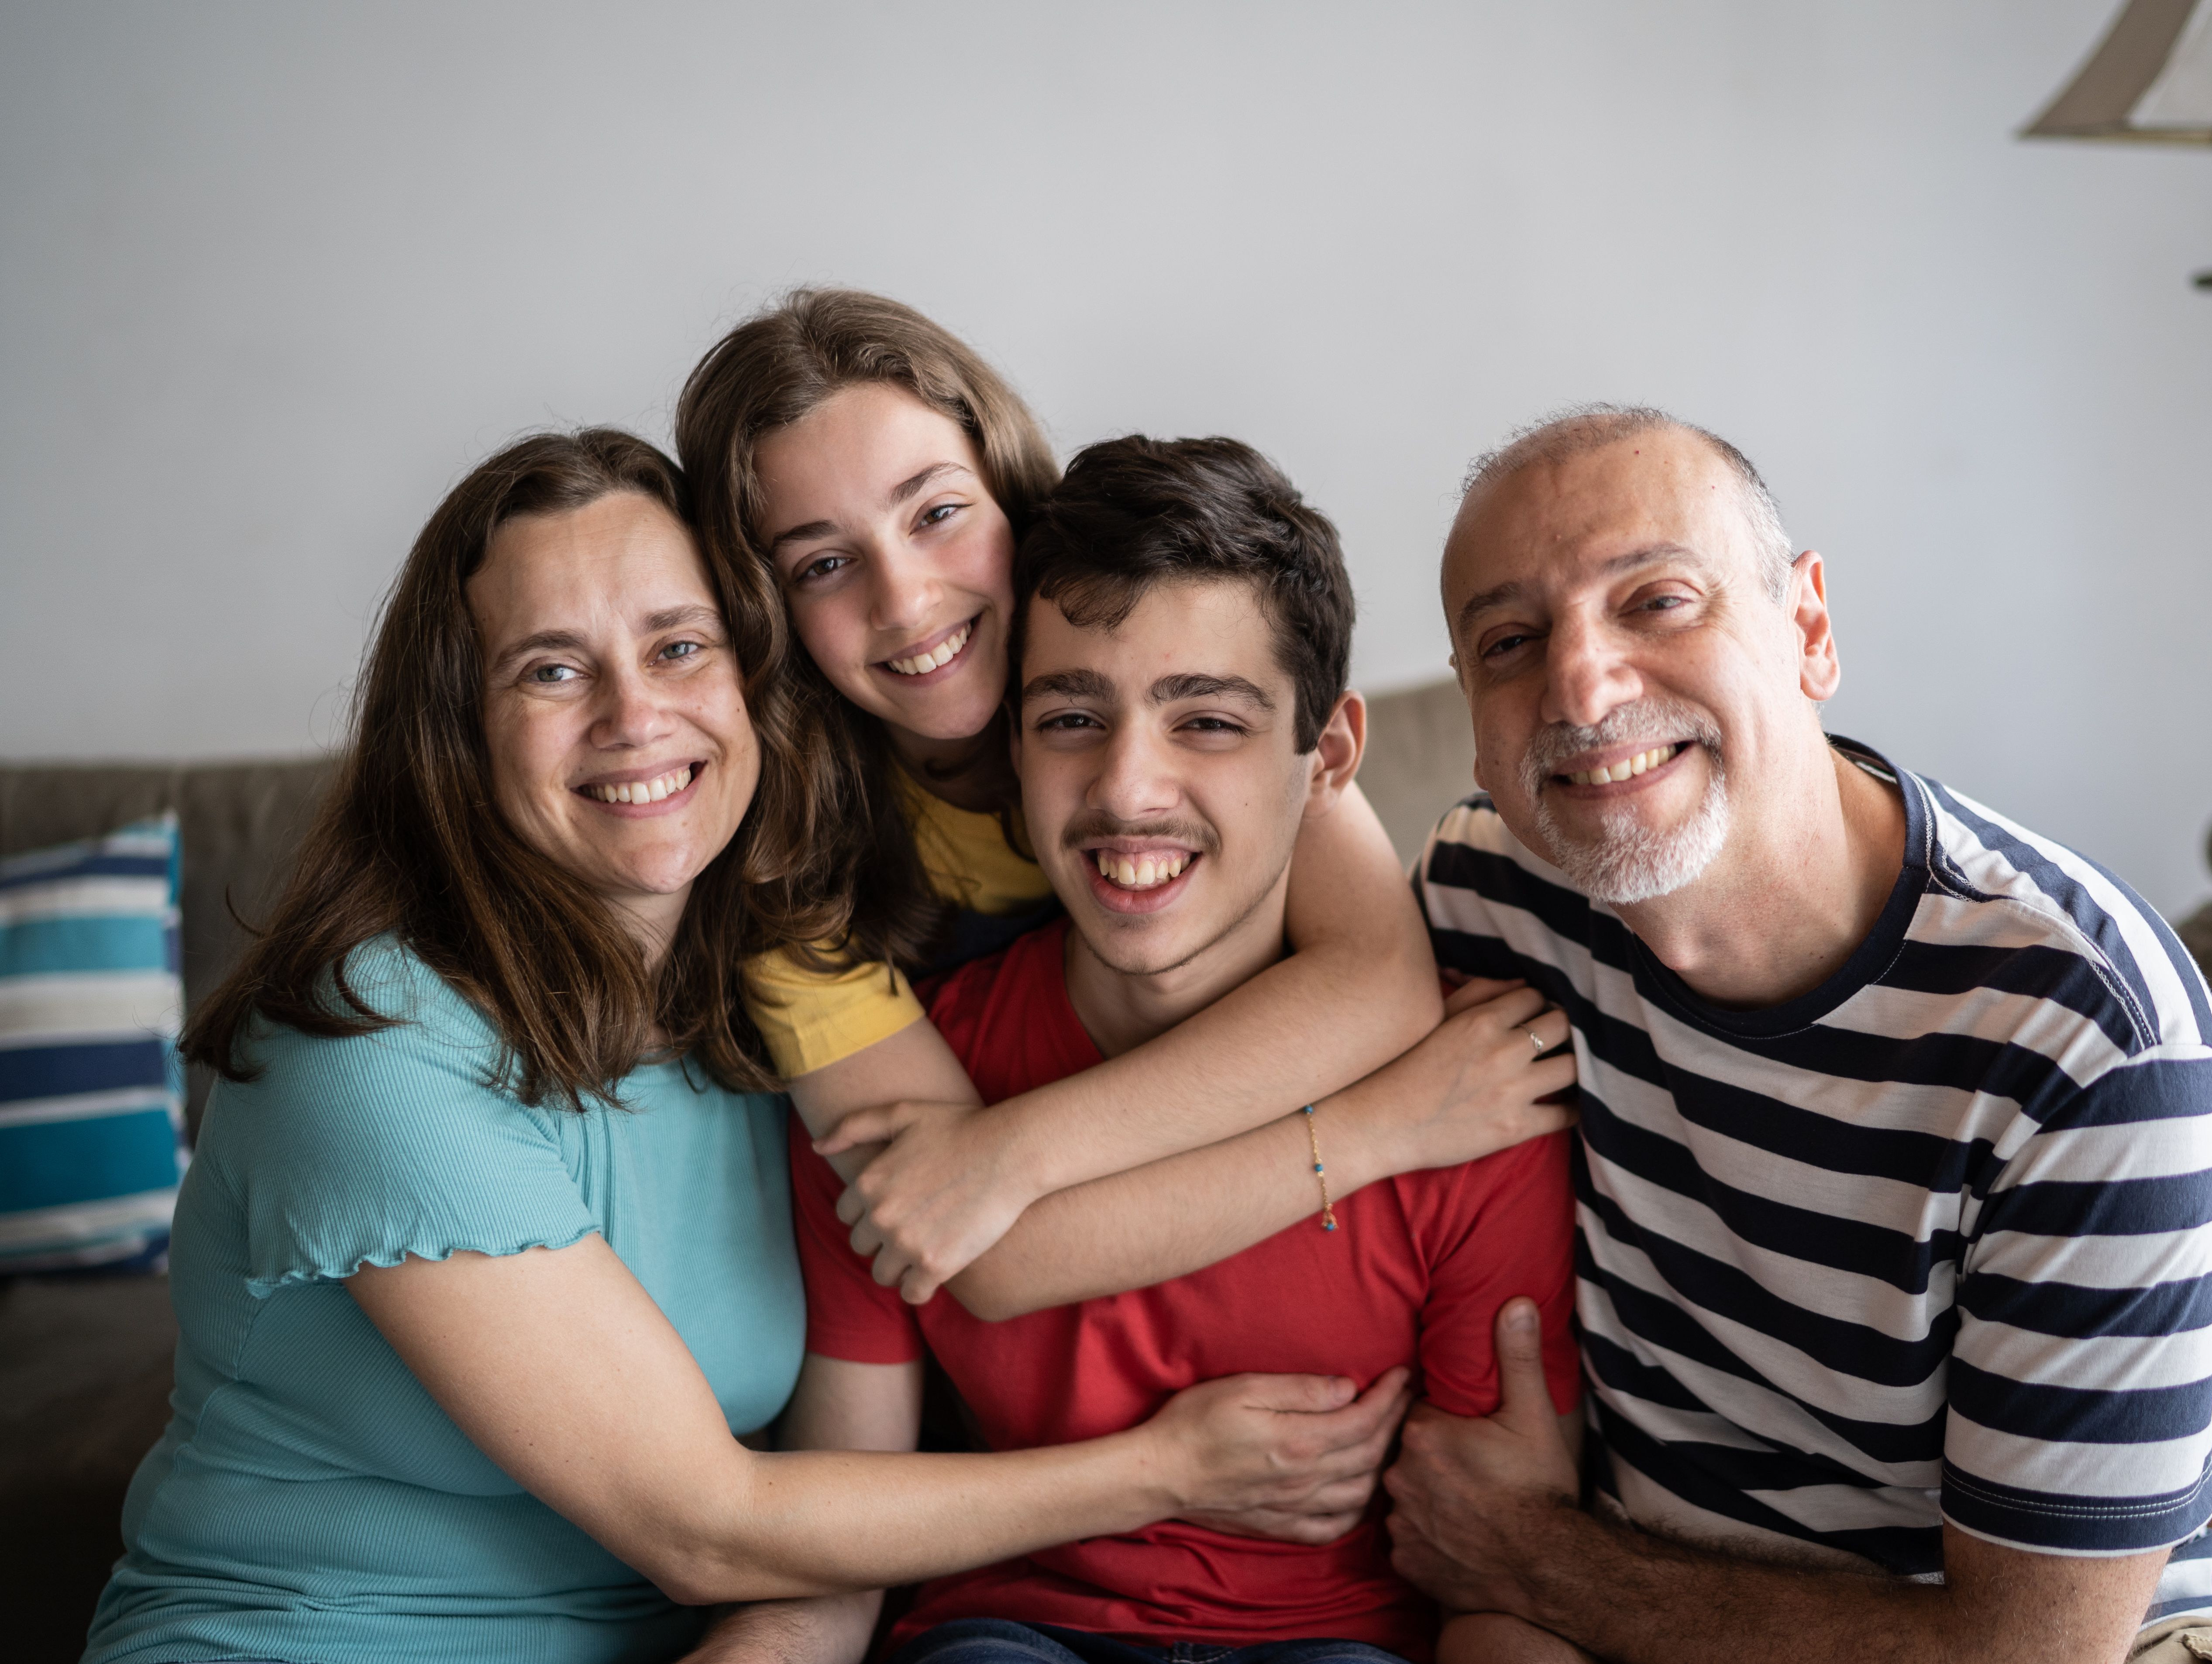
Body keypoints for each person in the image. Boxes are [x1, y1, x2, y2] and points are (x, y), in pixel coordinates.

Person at [81, 430, 1405, 1664]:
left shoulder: (777, 1008)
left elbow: (1257, 762)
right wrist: (1165, 1470)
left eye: (678, 647)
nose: (632, 716)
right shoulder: (374, 1040)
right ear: (455, 727)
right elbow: (706, 1523)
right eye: (550, 668)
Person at [1379, 406, 2212, 1664]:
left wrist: (1526, 1555)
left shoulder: (2081, 1029)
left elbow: (2026, 1653)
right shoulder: (1487, 894)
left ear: (1807, 630)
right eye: (1507, 640)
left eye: (1657, 600)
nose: (1577, 683)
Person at [771, 434, 1580, 1664]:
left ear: (1330, 756)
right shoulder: (900, 1084)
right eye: (1071, 718)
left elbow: (1509, 1583)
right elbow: (837, 1529)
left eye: (1205, 719)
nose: (1126, 788)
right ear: (1012, 747)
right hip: (1007, 1631)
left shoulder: (1471, 1092)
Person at [674, 292, 1564, 1314]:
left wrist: (1011, 1150)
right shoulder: (789, 873)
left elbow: (1379, 983)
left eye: (938, 514)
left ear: (1010, 495)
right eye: (824, 564)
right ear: (763, 609)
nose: (906, 599)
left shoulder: (1187, 663)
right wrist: (1383, 1130)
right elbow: (974, 1248)